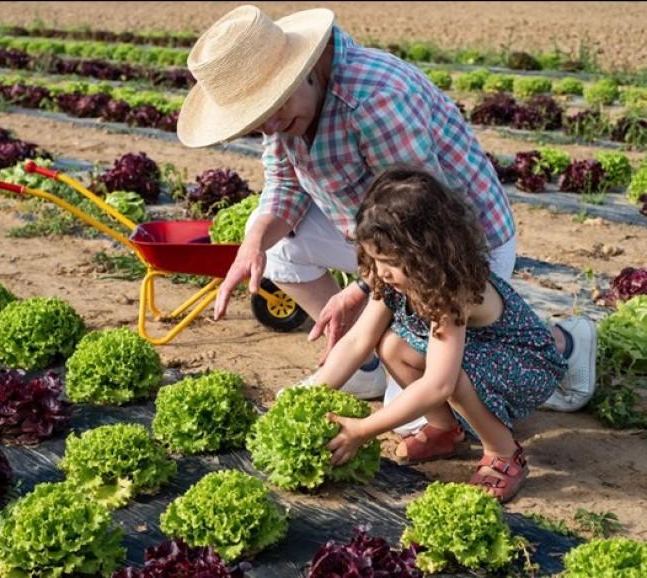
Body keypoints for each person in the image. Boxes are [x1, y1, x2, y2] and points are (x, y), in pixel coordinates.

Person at [175, 4, 595, 412]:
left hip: (457, 242)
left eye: (274, 107)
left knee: (426, 399)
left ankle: (563, 343)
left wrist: (364, 288)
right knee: (278, 248)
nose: (270, 127)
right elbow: (285, 185)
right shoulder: (287, 111)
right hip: (378, 240)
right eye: (257, 119)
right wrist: (253, 244)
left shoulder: (374, 100)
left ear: (301, 70)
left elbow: (423, 221)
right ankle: (367, 365)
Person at [315, 167, 569, 503]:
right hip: (479, 353)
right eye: (374, 259)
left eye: (390, 261)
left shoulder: (451, 291)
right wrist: (309, 392)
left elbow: (439, 385)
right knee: (391, 345)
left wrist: (363, 429)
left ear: (427, 254)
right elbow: (357, 341)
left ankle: (503, 452)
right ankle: (445, 429)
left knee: (454, 376)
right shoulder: (389, 277)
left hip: (525, 364)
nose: (381, 271)